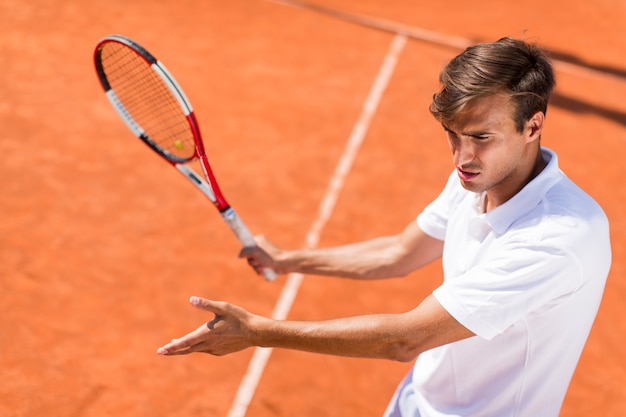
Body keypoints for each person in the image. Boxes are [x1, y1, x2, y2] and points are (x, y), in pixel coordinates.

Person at [157, 37, 611, 417]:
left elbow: (405, 337)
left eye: (480, 137)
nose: (461, 157)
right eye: (452, 134)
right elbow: (398, 253)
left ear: (533, 127)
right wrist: (288, 259)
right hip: (419, 400)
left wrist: (258, 331)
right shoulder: (479, 176)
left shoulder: (556, 239)